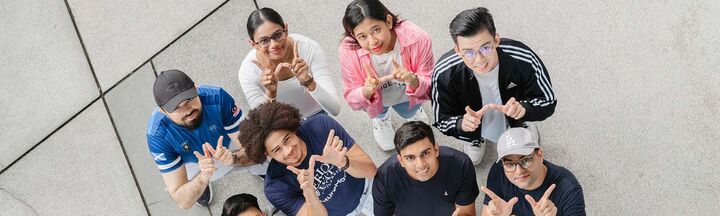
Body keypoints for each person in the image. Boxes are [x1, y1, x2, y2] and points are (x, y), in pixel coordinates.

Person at [431, 7, 557, 165]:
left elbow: (548, 101)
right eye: (469, 52)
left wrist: (524, 109)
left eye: (485, 48)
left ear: (496, 40)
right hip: (473, 124)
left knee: (522, 145)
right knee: (472, 147)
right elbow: (441, 119)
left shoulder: (523, 58)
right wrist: (460, 124)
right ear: (457, 50)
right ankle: (474, 138)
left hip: (516, 115)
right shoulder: (444, 73)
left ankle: (521, 125)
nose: (479, 60)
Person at [146, 69, 264, 208]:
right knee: (191, 187)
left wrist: (234, 158)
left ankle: (259, 169)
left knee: (261, 155)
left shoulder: (217, 97)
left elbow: (256, 147)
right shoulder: (157, 135)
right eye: (177, 107)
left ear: (196, 88)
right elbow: (183, 201)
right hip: (193, 163)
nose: (187, 110)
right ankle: (200, 186)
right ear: (163, 111)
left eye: (189, 99)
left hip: (227, 145)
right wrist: (203, 177)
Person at [238, 102, 377, 216]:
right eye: (277, 149)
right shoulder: (275, 187)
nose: (288, 151)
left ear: (293, 129)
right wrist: (309, 191)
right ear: (267, 155)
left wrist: (344, 162)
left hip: (369, 190)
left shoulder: (321, 127)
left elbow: (371, 171)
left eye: (287, 139)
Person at [339, 0, 433, 151]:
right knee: (378, 111)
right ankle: (381, 119)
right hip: (378, 101)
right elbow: (351, 98)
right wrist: (367, 91)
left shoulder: (418, 38)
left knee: (409, 110)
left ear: (388, 21)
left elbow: (430, 84)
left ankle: (413, 112)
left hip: (406, 94)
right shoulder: (347, 51)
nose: (372, 41)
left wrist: (413, 80)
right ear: (353, 35)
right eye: (362, 36)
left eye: (376, 30)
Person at [238, 7, 341, 118]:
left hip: (320, 116)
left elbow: (334, 109)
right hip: (283, 128)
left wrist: (308, 81)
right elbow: (264, 126)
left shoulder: (308, 48)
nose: (274, 45)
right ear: (253, 44)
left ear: (285, 30)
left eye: (277, 35)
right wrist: (271, 94)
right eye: (264, 41)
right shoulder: (248, 72)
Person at [373, 121, 479, 216]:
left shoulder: (461, 165)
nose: (421, 165)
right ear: (401, 161)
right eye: (410, 157)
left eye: (425, 153)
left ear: (436, 150)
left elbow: (467, 212)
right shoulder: (385, 178)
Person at [481, 128, 585, 216]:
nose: (519, 171)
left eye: (526, 160)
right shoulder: (499, 169)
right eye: (510, 164)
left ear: (540, 155)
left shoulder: (568, 189)